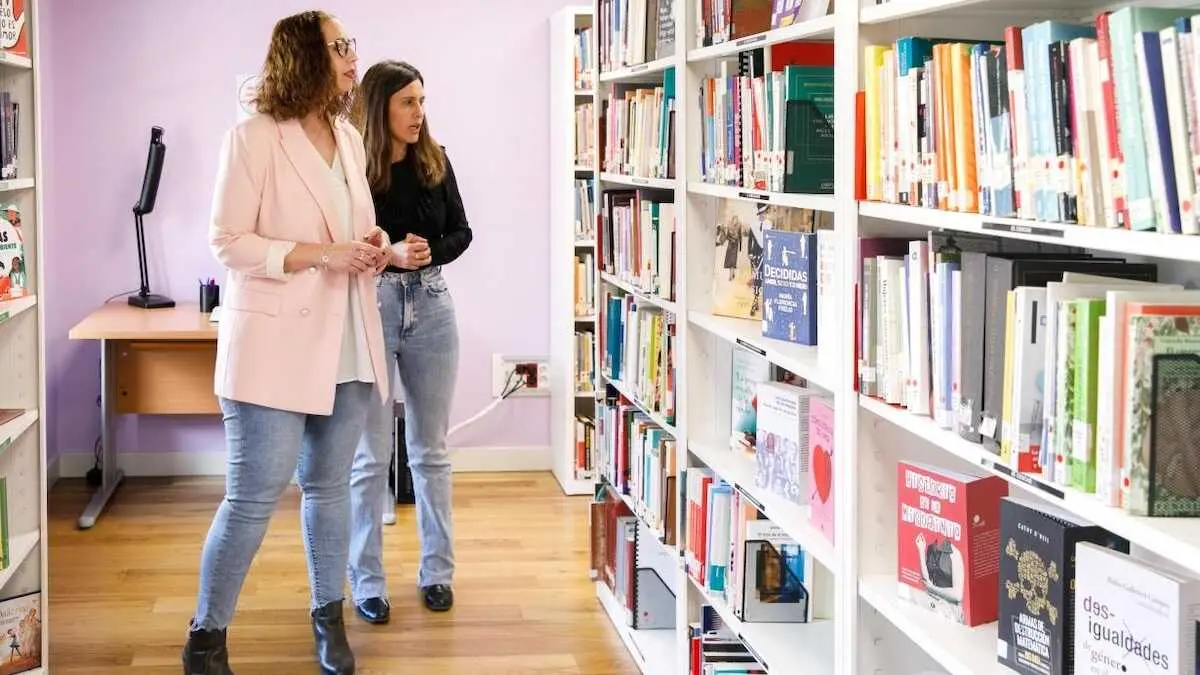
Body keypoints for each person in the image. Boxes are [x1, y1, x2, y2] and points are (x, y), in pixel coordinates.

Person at [182, 11, 392, 675]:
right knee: (251, 497)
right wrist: (323, 253)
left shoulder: (350, 137)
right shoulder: (252, 138)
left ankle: (328, 619)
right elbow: (228, 241)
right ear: (307, 57)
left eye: (351, 44)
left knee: (329, 488)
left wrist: (373, 245)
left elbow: (353, 226)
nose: (353, 57)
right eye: (341, 47)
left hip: (350, 338)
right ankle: (205, 638)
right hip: (274, 344)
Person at [345, 59, 472, 624]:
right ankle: (367, 583)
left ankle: (437, 573)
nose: (420, 113)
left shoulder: (435, 160)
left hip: (432, 304)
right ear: (381, 108)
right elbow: (342, 241)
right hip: (372, 303)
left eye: (422, 101)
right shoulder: (353, 168)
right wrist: (391, 253)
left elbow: (462, 230)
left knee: (430, 452)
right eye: (408, 103)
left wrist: (428, 253)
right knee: (372, 458)